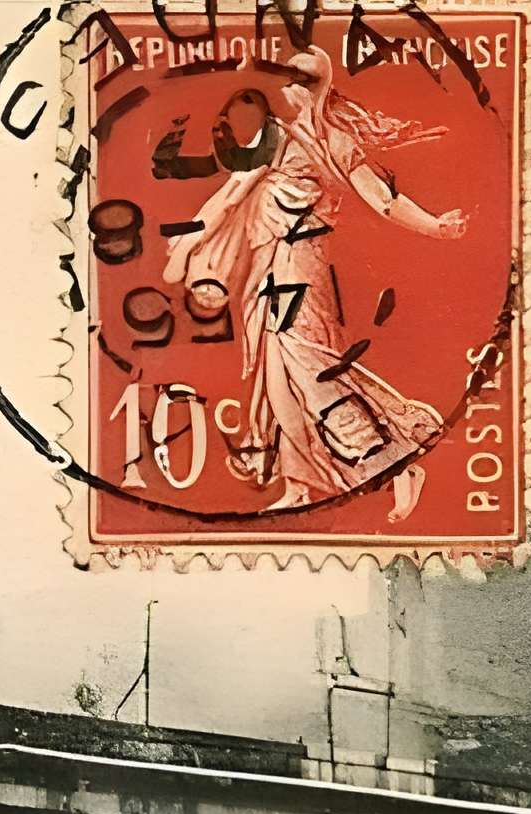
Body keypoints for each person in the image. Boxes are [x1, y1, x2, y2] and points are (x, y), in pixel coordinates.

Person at [163, 46, 473, 521]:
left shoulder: (323, 140)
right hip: (275, 265)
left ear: (309, 89)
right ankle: (301, 484)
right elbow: (232, 195)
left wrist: (434, 226)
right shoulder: (295, 138)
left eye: (296, 81)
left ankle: (395, 461)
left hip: (298, 264)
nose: (287, 90)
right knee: (281, 379)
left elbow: (380, 198)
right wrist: (188, 240)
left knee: (312, 370)